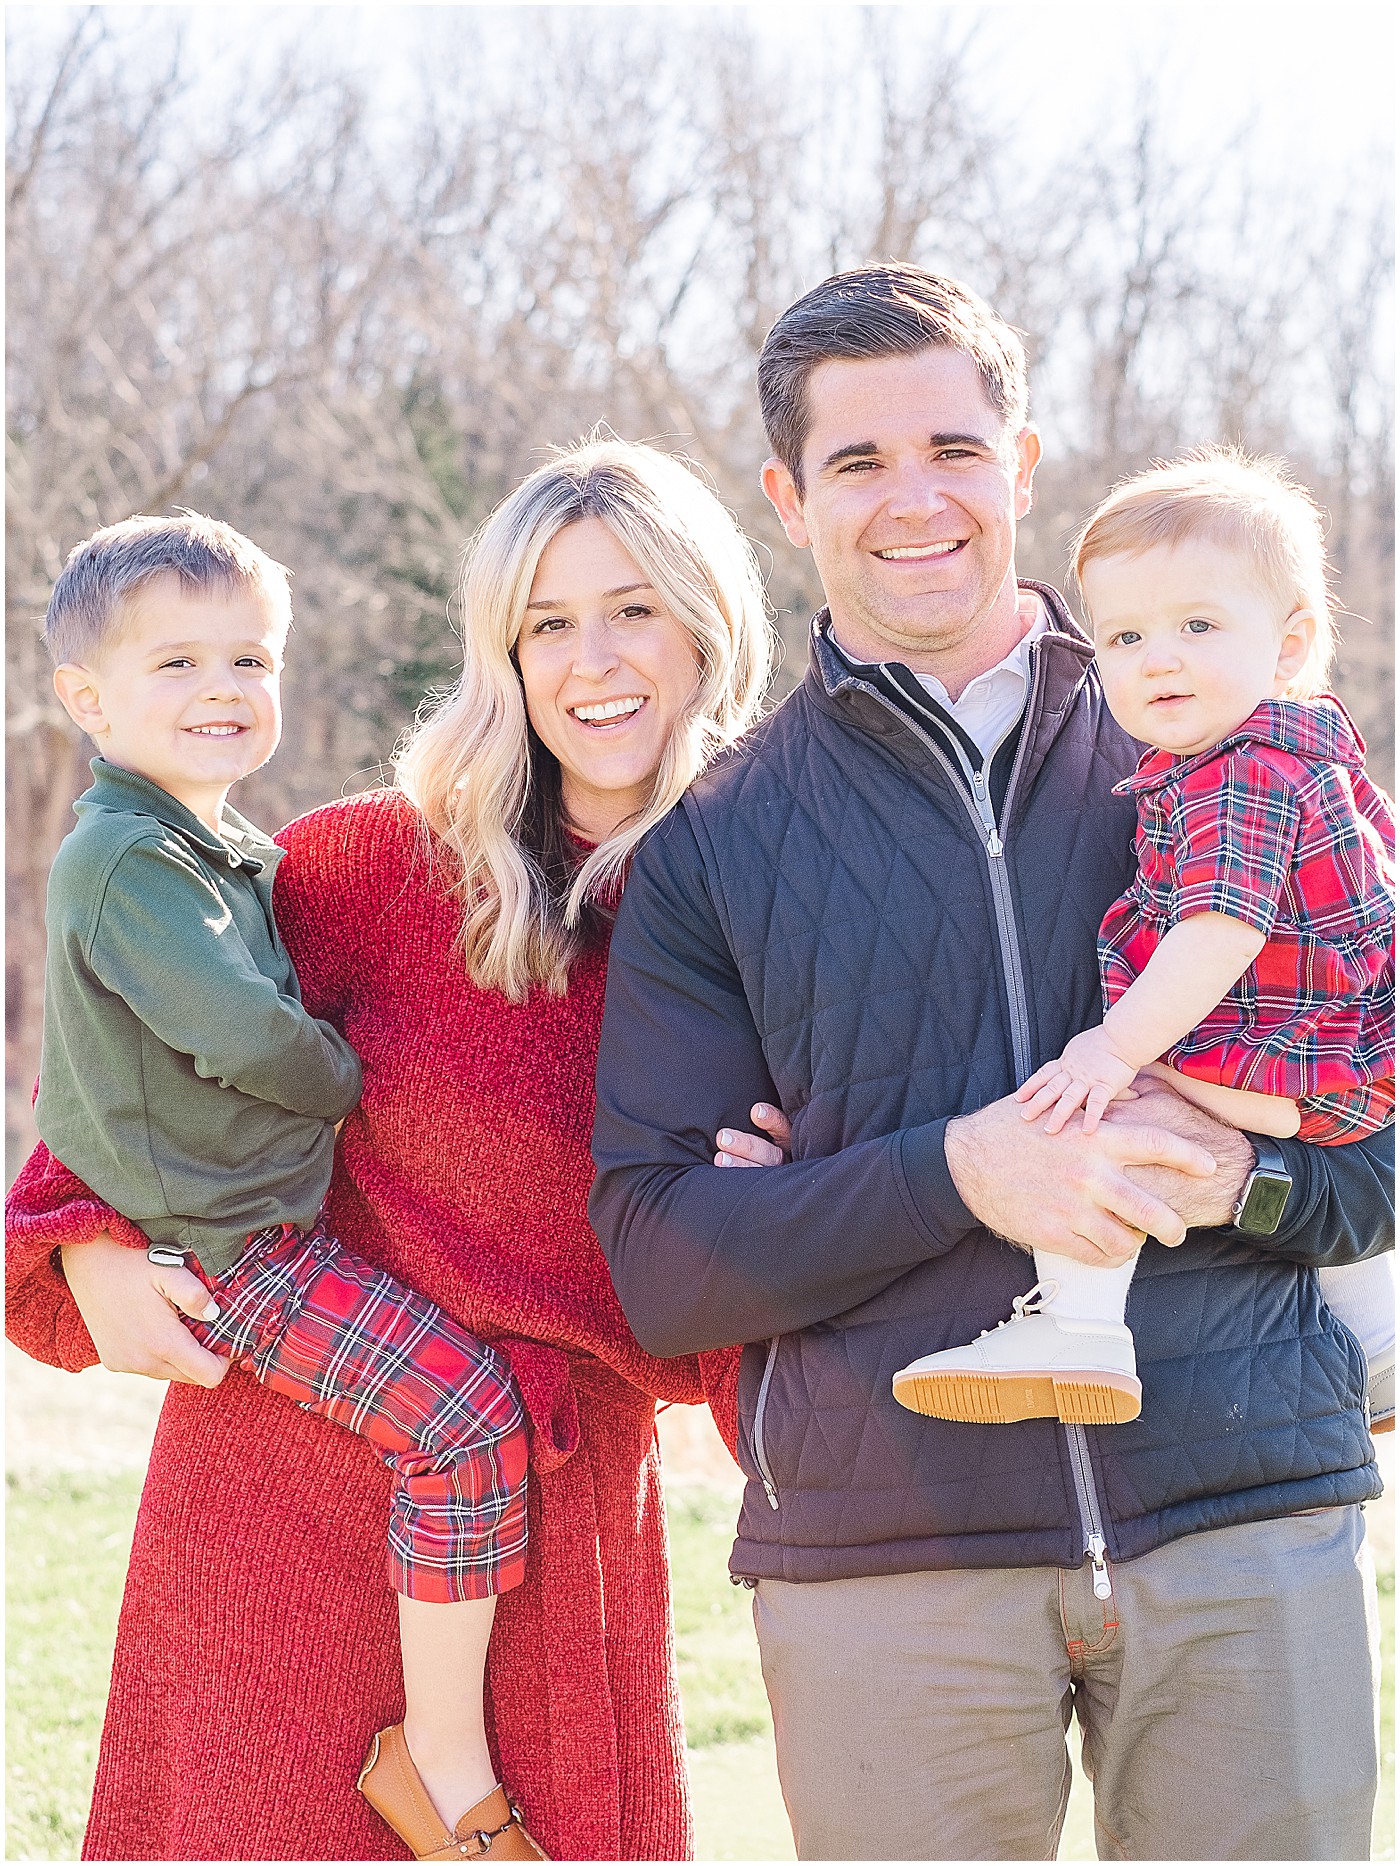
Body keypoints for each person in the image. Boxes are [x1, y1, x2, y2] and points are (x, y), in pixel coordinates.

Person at [589, 266, 1392, 1861]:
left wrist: (1244, 1167)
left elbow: (1374, 1147)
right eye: (859, 463)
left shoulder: (1237, 744)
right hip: (890, 1563)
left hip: (1241, 1524)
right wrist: (955, 1166)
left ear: (1020, 464)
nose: (917, 500)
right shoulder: (717, 845)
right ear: (787, 494)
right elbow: (667, 1262)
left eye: (954, 448)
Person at [5, 437, 774, 1862]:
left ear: (709, 626)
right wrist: (85, 1240)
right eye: (549, 621)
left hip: (555, 1541)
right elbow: (131, 1046)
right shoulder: (377, 862)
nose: (592, 658)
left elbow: (790, 1289)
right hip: (280, 1509)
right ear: (505, 653)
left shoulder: (769, 915)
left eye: (635, 608)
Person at [36, 509, 545, 1861]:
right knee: (460, 1419)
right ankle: (440, 1758)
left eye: (250, 661)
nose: (225, 692)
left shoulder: (214, 846)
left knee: (457, 1419)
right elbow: (245, 1029)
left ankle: (441, 1740)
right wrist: (343, 1068)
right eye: (180, 666)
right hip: (233, 1249)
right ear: (85, 699)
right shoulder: (129, 859)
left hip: (254, 1235)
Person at [894, 448, 1395, 1432]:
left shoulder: (1240, 773)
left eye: (1195, 626)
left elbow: (1218, 928)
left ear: (1287, 644)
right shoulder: (1304, 757)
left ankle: (1078, 1329)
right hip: (1343, 1068)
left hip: (1284, 1056)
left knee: (1090, 1112)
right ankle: (1381, 1350)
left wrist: (1113, 1047)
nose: (1155, 657)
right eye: (1122, 636)